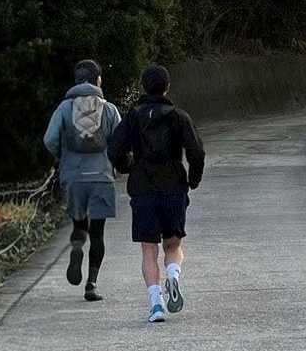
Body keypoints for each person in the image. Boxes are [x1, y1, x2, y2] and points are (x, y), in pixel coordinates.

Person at [108, 64, 205, 324]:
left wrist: (127, 166)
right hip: (173, 186)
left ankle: (156, 304)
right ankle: (173, 275)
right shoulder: (179, 116)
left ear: (143, 87)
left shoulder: (133, 117)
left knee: (149, 249)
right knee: (173, 245)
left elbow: (114, 149)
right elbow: (196, 152)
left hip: (143, 188)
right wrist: (193, 179)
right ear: (167, 87)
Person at [44, 59, 122, 302]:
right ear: (98, 80)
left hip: (74, 177)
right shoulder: (109, 109)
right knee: (98, 233)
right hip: (102, 177)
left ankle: (77, 245)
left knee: (80, 225)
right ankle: (91, 284)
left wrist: (63, 157)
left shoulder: (64, 108)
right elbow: (120, 141)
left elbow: (49, 139)